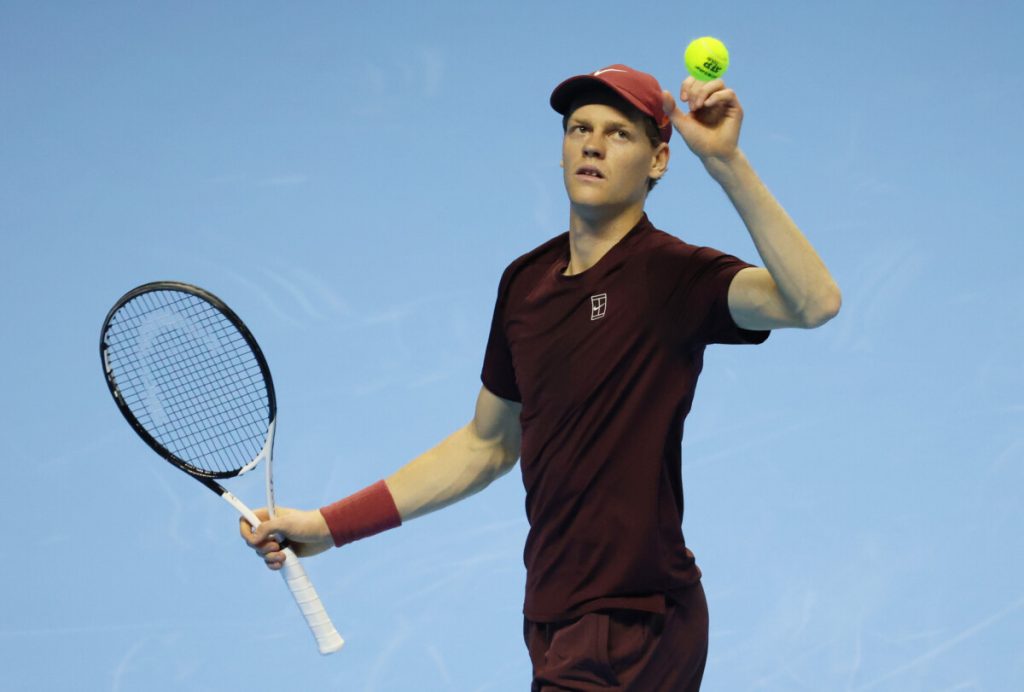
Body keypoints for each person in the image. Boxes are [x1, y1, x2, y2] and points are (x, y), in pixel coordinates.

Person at [240, 63, 841, 690]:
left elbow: (813, 302)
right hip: (556, 616)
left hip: (632, 620)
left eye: (619, 133)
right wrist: (327, 526)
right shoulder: (525, 284)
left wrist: (725, 163)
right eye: (580, 128)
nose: (593, 144)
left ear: (659, 161)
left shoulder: (673, 277)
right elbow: (487, 444)